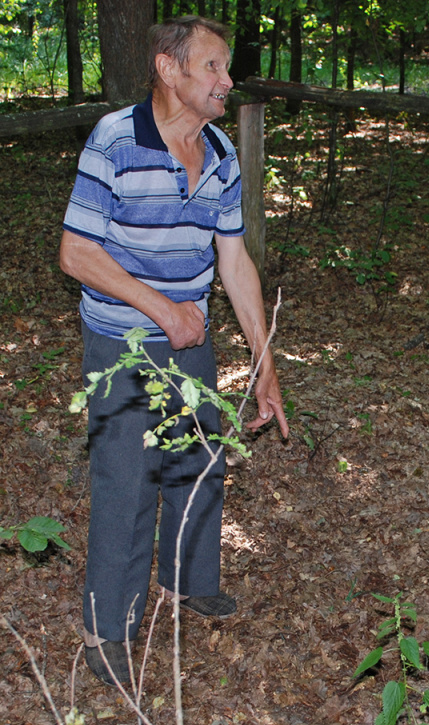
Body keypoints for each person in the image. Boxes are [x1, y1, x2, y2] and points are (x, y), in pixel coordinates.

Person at [59, 15, 289, 686]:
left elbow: (235, 261)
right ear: (169, 69)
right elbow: (76, 252)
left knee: (198, 461)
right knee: (126, 482)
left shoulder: (220, 152)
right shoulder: (115, 141)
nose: (227, 80)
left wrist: (266, 363)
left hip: (190, 339)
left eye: (226, 69)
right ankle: (108, 631)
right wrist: (161, 309)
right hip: (122, 341)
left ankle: (190, 581)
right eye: (213, 67)